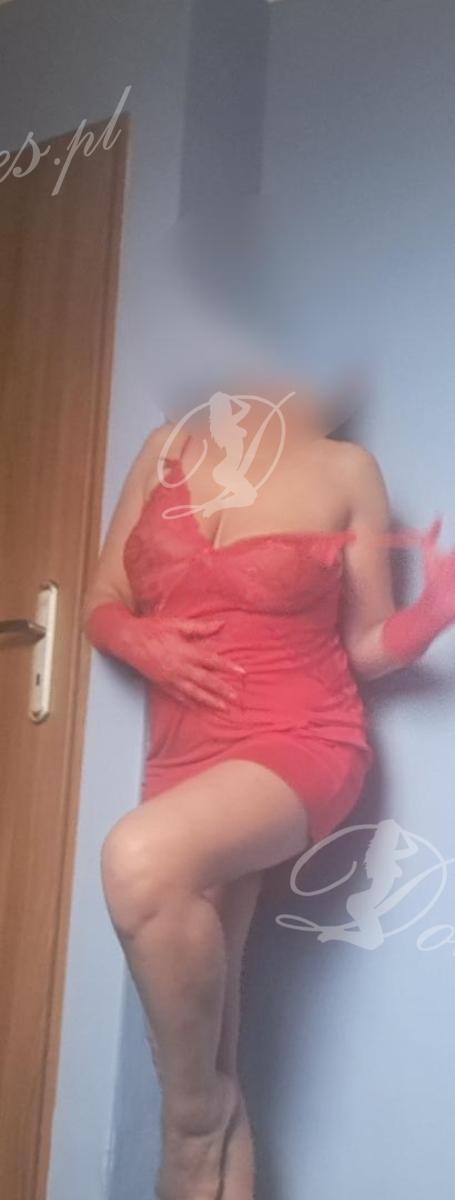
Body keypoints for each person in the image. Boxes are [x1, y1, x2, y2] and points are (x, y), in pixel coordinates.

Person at [82, 382, 455, 1200]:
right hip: (181, 755)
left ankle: (191, 1125)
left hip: (299, 739)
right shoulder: (167, 447)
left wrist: (431, 612)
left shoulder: (345, 468)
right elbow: (100, 600)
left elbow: (365, 645)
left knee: (138, 862)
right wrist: (141, 641)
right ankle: (206, 1130)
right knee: (205, 1041)